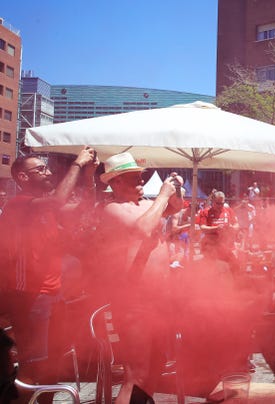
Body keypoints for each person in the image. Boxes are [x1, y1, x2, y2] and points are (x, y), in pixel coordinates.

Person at [0, 148, 98, 404]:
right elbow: (57, 201)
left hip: (54, 295)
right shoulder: (18, 204)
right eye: (40, 169)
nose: (49, 172)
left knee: (54, 365)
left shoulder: (45, 209)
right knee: (33, 369)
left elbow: (84, 206)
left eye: (47, 168)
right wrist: (77, 163)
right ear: (22, 177)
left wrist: (89, 175)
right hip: (30, 299)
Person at [94, 152, 183, 403]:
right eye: (134, 179)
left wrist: (176, 190)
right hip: (134, 302)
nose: (141, 183)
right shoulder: (111, 209)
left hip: (158, 298)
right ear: (115, 182)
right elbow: (142, 230)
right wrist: (163, 195)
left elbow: (175, 207)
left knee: (156, 365)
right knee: (136, 374)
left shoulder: (145, 204)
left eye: (140, 178)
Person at [196, 190, 240, 273]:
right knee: (212, 270)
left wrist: (232, 228)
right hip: (211, 247)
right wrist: (216, 228)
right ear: (212, 202)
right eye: (218, 203)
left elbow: (237, 225)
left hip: (225, 246)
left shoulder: (228, 211)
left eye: (222, 203)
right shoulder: (205, 212)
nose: (220, 206)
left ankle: (234, 284)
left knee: (235, 266)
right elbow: (203, 227)